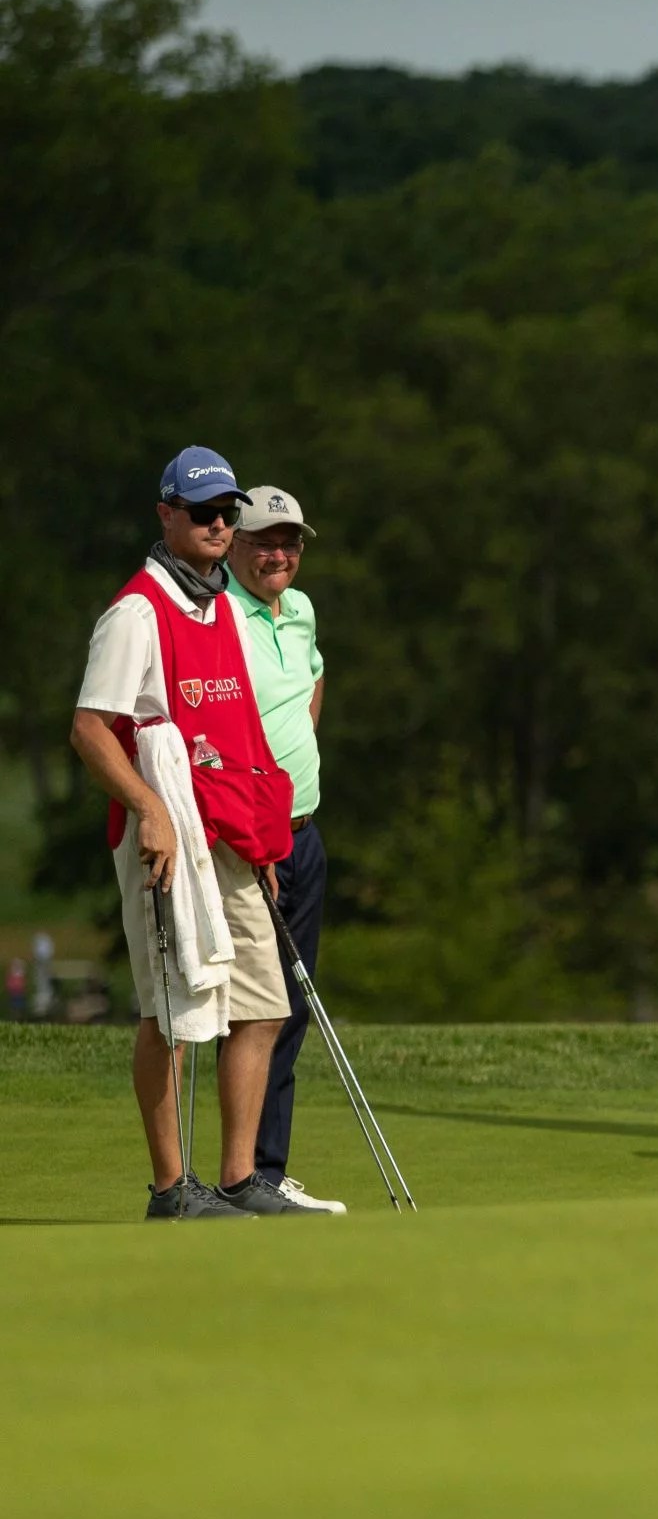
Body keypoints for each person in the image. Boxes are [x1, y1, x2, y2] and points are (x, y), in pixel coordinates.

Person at [67, 447, 305, 1219]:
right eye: (200, 511)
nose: (215, 524)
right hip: (163, 839)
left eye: (224, 512)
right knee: (170, 1011)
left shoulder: (225, 606)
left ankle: (239, 1178)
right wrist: (151, 808)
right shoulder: (136, 611)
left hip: (231, 837)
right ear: (166, 514)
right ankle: (171, 1188)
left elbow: (237, 732)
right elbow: (90, 729)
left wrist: (266, 839)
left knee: (263, 1003)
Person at [227, 485, 345, 1213]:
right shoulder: (219, 619)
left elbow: (314, 678)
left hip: (305, 832)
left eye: (291, 541)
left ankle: (266, 1170)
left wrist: (296, 764)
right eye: (266, 540)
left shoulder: (297, 611)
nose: (280, 553)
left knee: (290, 1008)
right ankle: (247, 1174)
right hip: (252, 842)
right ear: (234, 544)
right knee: (256, 1007)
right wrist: (258, 820)